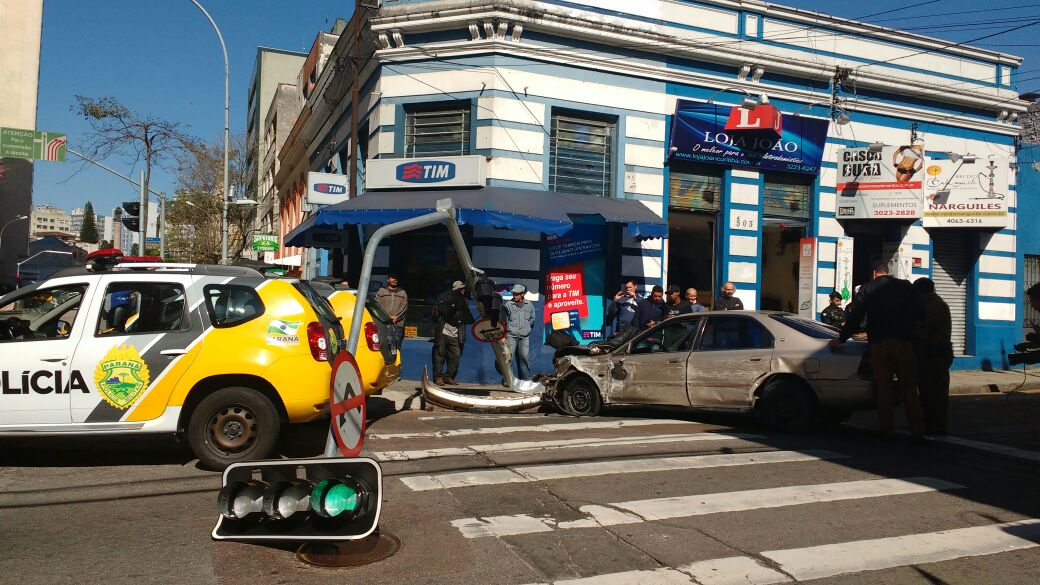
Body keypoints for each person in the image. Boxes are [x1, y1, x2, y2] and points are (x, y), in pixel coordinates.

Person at [829, 261, 925, 440]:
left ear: (874, 273)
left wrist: (841, 339)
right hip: (903, 343)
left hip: (879, 344)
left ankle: (886, 431)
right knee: (910, 389)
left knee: (884, 389)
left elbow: (856, 316)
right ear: (889, 273)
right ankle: (917, 432)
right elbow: (920, 313)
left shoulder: (867, 289)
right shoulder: (905, 287)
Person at [912, 278, 953, 436]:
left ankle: (936, 424)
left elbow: (923, 329)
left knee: (934, 391)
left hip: (935, 354)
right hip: (933, 353)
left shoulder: (934, 307)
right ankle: (932, 422)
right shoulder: (933, 304)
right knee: (930, 390)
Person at [431, 280, 474, 386]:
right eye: (461, 289)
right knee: (439, 355)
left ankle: (449, 377)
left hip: (456, 334)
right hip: (443, 331)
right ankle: (438, 377)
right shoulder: (445, 298)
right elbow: (435, 314)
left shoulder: (465, 301)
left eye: (463, 289)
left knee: (455, 356)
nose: (463, 291)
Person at [501, 284, 535, 382]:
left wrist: (527, 328)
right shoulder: (508, 305)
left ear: (522, 294)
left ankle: (525, 380)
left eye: (517, 294)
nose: (515, 296)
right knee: (509, 357)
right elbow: (504, 322)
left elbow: (532, 319)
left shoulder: (529, 305)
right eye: (514, 294)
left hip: (524, 337)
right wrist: (504, 335)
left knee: (524, 358)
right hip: (511, 336)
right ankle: (508, 380)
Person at [375, 273, 408, 349]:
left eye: (396, 278)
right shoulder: (381, 291)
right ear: (388, 280)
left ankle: (396, 360)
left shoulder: (402, 292)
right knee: (382, 344)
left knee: (396, 346)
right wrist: (385, 317)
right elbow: (377, 306)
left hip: (398, 324)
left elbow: (405, 307)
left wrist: (397, 317)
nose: (394, 280)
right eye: (392, 278)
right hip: (383, 323)